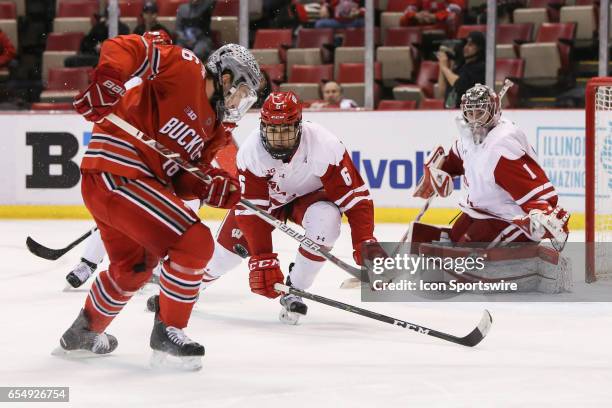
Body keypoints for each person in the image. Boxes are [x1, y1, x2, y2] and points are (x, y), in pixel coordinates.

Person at [61, 32, 261, 369]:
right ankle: (169, 330)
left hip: (124, 185)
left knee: (133, 270)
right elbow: (124, 47)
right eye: (241, 92)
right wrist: (109, 80)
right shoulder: (186, 70)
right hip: (117, 170)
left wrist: (206, 186)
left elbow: (178, 178)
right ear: (225, 77)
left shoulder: (214, 131)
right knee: (195, 243)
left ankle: (82, 332)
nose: (240, 101)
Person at [147, 91, 383, 324]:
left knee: (327, 220)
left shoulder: (325, 145)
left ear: (299, 126)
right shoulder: (252, 153)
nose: (279, 139)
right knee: (224, 258)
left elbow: (355, 199)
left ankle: (295, 290)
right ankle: (186, 291)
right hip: (266, 205)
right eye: (273, 131)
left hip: (307, 199)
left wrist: (365, 241)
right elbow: (251, 212)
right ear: (262, 127)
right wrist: (263, 259)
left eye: (286, 131)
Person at [411, 83, 571, 292]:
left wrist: (543, 214)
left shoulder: (502, 145)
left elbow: (536, 188)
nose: (475, 119)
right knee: (454, 237)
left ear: (493, 111)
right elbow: (457, 160)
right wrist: (440, 173)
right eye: (470, 112)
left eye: (480, 112)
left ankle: (540, 268)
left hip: (507, 217)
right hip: (481, 212)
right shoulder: (468, 136)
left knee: (466, 252)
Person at [65, 10, 131, 67]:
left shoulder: (124, 29)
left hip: (115, 58)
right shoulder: (98, 27)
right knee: (70, 61)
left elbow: (124, 47)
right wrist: (97, 47)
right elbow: (87, 43)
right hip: (97, 56)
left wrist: (106, 47)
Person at [437, 31, 485, 109]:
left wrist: (444, 68)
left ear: (480, 48)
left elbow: (459, 84)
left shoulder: (480, 67)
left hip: (467, 114)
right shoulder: (461, 66)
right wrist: (442, 65)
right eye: (466, 44)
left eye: (470, 45)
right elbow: (441, 92)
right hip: (448, 113)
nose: (466, 47)